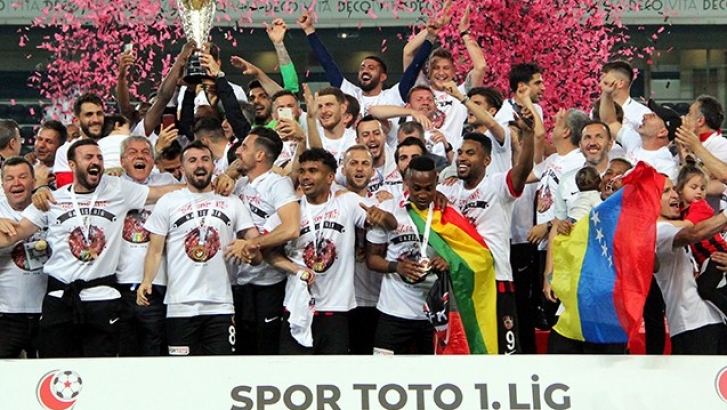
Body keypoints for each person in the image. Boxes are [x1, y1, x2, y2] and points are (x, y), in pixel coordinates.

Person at [0, 139, 183, 357]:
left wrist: (203, 185)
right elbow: (16, 233)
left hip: (103, 298)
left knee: (100, 371)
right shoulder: (51, 199)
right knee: (56, 369)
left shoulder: (118, 189)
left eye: (99, 157)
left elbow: (162, 192)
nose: (95, 161)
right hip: (60, 298)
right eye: (88, 157)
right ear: (72, 165)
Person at [138, 140, 262, 356]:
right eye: (192, 160)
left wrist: (249, 247)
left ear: (213, 165)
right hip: (180, 305)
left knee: (222, 369)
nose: (200, 165)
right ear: (182, 167)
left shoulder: (232, 201)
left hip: (221, 304)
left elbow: (257, 253)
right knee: (182, 371)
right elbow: (155, 251)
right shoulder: (168, 202)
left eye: (205, 159)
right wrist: (147, 280)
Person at [271, 148, 396, 354]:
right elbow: (266, 252)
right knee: (292, 372)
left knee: (334, 373)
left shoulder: (347, 202)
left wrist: (382, 216)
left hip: (336, 311)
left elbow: (391, 224)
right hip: (296, 307)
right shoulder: (292, 210)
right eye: (302, 171)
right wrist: (293, 268)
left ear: (330, 177)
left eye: (313, 171)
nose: (305, 176)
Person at [438, 111, 535, 354]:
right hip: (462, 283)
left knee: (504, 350)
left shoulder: (498, 185)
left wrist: (529, 135)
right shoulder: (447, 192)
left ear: (487, 160)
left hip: (496, 279)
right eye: (460, 152)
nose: (462, 158)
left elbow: (523, 168)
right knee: (467, 349)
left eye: (470, 153)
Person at [228, 127, 300, 355]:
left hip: (269, 284)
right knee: (242, 351)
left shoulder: (277, 184)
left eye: (244, 147)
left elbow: (291, 228)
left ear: (260, 155)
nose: (238, 151)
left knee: (266, 352)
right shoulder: (239, 185)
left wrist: (253, 244)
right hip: (240, 282)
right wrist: (227, 175)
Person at [367, 156, 449, 354]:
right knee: (382, 369)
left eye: (429, 188)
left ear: (436, 183)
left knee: (437, 372)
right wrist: (397, 267)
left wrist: (448, 261)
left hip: (434, 313)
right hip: (394, 310)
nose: (422, 194)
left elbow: (463, 254)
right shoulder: (387, 209)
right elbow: (371, 259)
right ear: (406, 182)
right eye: (416, 188)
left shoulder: (447, 211)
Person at [115, 136, 179, 356]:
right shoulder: (112, 185)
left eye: (146, 153)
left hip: (158, 284)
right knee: (125, 353)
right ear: (122, 161)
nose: (140, 156)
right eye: (132, 152)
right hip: (120, 283)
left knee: (155, 352)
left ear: (153, 160)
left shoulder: (166, 180)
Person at [656, 178, 727, 354]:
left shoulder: (673, 226)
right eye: (666, 191)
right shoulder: (657, 231)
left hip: (713, 317)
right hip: (691, 324)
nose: (675, 195)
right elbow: (695, 233)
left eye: (674, 189)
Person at [0, 157, 49, 358]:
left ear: (34, 182)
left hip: (47, 313)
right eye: (9, 178)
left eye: (22, 177)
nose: (16, 183)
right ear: (2, 185)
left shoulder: (48, 206)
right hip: (5, 315)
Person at [676, 164, 727, 316]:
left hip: (717, 254)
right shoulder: (680, 211)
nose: (699, 191)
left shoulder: (701, 207)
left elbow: (688, 227)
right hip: (704, 260)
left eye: (703, 188)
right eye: (694, 187)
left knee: (704, 289)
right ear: (680, 189)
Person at [54, 93, 105, 188]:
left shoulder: (115, 145)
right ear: (76, 121)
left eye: (99, 114)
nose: (96, 119)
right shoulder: (64, 151)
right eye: (89, 114)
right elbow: (66, 189)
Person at [601, 61, 651, 132]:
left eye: (605, 83)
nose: (600, 85)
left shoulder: (642, 113)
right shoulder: (596, 111)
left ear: (620, 83)